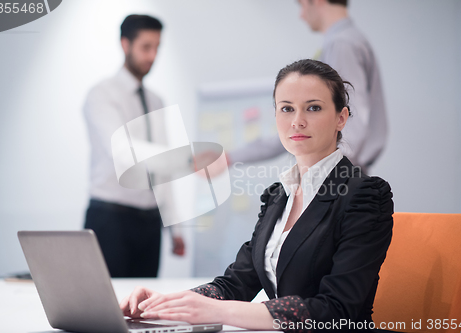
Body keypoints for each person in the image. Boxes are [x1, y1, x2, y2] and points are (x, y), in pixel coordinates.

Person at [120, 59, 394, 331]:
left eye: (313, 108)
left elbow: (337, 310)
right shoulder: (278, 196)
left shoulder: (365, 195)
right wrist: (168, 302)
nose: (297, 121)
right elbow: (237, 283)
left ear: (341, 118)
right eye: (287, 109)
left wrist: (219, 310)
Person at [226, 0, 387, 174]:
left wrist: (329, 177)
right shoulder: (344, 42)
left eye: (302, 5)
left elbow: (352, 124)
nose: (301, 15)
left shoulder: (342, 45)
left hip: (337, 178)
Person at [83, 14, 184, 278]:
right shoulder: (102, 95)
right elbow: (122, 152)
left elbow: (163, 169)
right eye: (145, 47)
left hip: (150, 222)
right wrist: (182, 159)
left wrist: (175, 226)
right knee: (106, 305)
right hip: (110, 218)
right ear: (125, 44)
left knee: (143, 306)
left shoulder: (156, 101)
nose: (152, 56)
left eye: (157, 48)